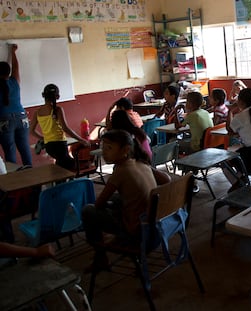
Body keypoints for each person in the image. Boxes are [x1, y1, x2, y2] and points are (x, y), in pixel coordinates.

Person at [82, 129, 171, 270]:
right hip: (154, 226)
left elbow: (99, 203)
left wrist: (107, 205)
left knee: (88, 210)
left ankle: (100, 256)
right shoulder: (141, 163)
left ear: (126, 149)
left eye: (109, 148)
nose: (104, 152)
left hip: (139, 234)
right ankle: (119, 234)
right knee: (117, 198)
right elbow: (167, 179)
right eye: (102, 147)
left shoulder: (121, 171)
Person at [29, 84, 89, 170]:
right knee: (71, 168)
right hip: (60, 145)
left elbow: (31, 131)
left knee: (61, 167)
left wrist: (43, 138)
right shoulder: (58, 109)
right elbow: (65, 128)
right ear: (57, 96)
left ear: (43, 95)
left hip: (49, 147)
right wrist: (81, 139)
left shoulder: (37, 112)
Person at [0, 44, 32, 166]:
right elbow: (16, 68)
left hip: (4, 121)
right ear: (8, 72)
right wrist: (13, 52)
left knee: (10, 152)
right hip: (22, 117)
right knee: (25, 149)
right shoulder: (14, 81)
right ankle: (32, 179)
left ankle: (14, 182)